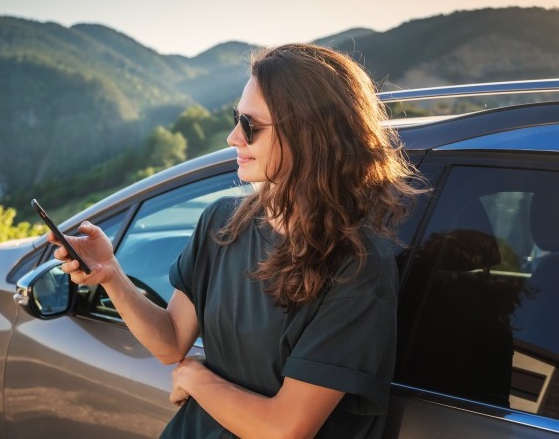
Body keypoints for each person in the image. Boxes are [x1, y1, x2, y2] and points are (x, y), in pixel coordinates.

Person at [50, 43, 422, 438]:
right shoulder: (222, 221)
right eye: (236, 119)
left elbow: (284, 430)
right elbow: (172, 341)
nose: (232, 137)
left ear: (310, 135)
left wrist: (196, 378)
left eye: (250, 126)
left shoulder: (358, 267)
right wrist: (111, 275)